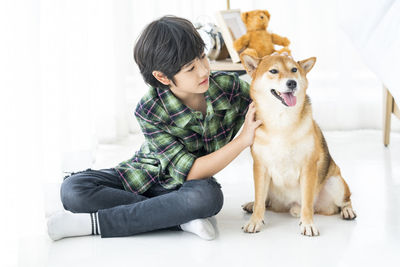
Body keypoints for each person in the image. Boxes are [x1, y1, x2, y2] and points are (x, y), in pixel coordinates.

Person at [46, 15, 262, 241]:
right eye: (190, 68)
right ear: (162, 76)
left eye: (202, 58)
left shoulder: (228, 86)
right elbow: (191, 170)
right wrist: (242, 140)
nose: (203, 71)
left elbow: (268, 99)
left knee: (206, 197)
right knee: (73, 189)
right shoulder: (149, 108)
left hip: (188, 188)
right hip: (143, 176)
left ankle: (97, 223)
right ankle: (180, 219)